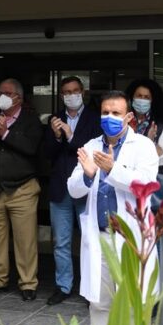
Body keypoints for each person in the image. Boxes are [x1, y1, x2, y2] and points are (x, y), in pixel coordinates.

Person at [67, 90, 159, 325]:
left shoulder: (143, 146)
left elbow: (146, 186)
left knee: (131, 302)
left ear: (128, 116)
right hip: (100, 237)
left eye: (116, 113)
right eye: (105, 112)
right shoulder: (91, 146)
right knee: (99, 302)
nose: (110, 117)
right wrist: (87, 175)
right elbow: (73, 190)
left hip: (131, 238)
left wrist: (113, 169)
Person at [0, 78, 43, 300]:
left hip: (22, 189)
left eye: (7, 92)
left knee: (24, 239)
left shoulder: (31, 120)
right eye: (0, 92)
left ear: (19, 97)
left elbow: (31, 148)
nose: (3, 96)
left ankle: (28, 283)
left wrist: (6, 134)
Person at [42, 76, 99, 304]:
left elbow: (91, 150)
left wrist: (70, 136)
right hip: (60, 189)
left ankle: (90, 288)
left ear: (82, 92)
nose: (71, 95)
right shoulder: (54, 119)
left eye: (75, 91)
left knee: (89, 240)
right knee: (61, 242)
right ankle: (63, 286)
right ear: (62, 95)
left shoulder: (95, 117)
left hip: (85, 187)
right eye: (66, 92)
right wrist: (56, 137)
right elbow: (46, 153)